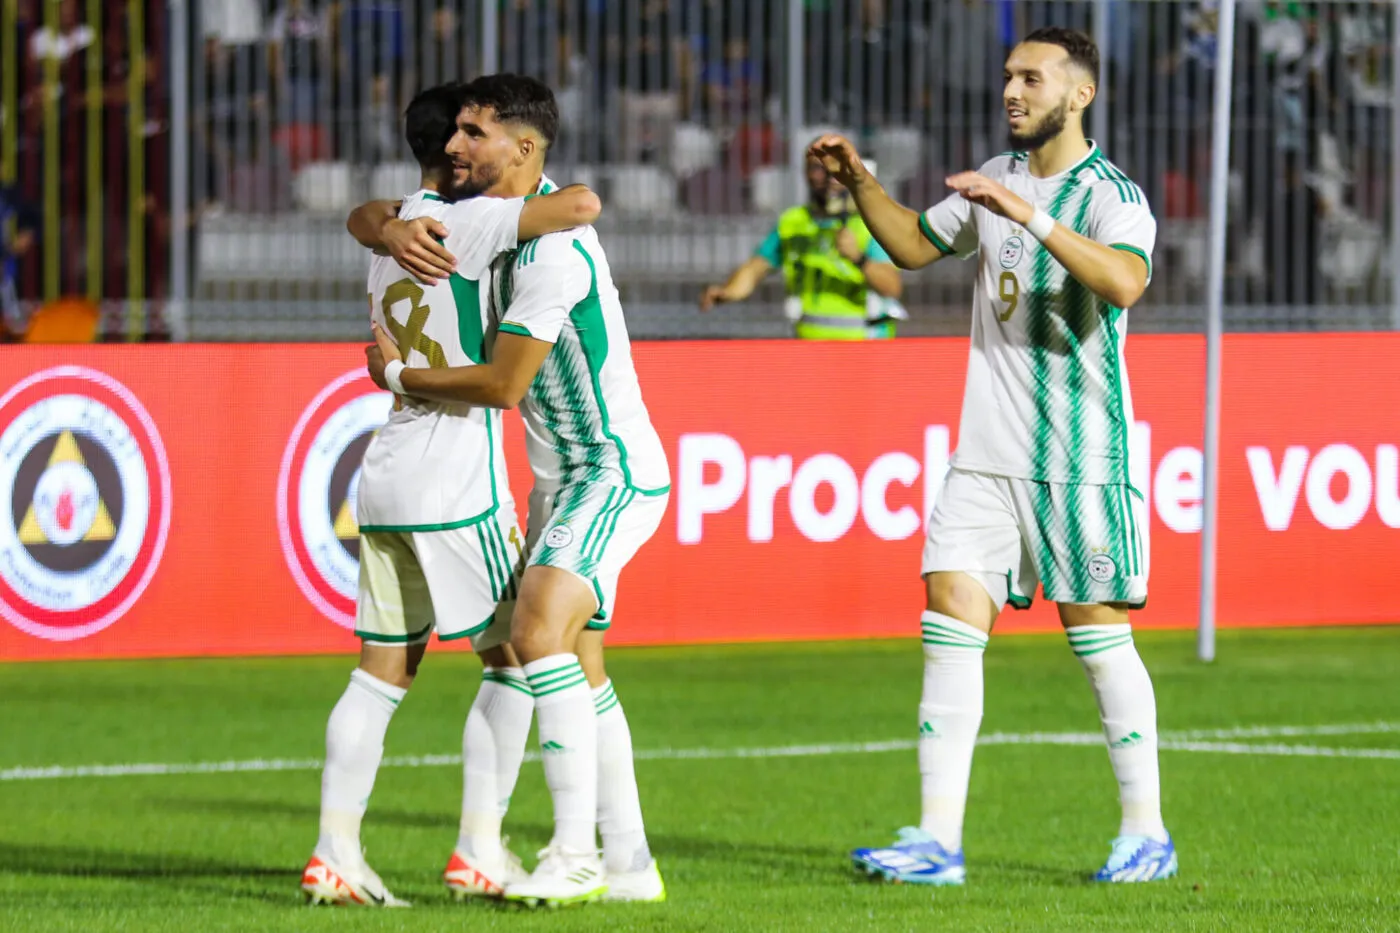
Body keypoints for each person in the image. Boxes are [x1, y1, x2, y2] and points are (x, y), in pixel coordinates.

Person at [817, 27, 1175, 885]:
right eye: (1007, 76)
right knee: (948, 615)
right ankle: (938, 839)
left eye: (1031, 78)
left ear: (1079, 94)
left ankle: (1147, 834)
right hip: (983, 454)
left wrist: (1033, 216)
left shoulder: (1111, 196)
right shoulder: (993, 179)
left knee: (1097, 633)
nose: (1011, 91)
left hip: (1080, 458)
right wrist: (861, 180)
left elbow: (1125, 283)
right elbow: (909, 245)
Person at [354, 73, 669, 908]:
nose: (454, 147)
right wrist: (383, 226)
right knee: (580, 665)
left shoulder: (553, 252)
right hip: (559, 478)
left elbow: (502, 384)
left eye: (472, 133)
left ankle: (573, 854)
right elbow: (370, 212)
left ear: (523, 149)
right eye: (453, 132)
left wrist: (395, 371)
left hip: (611, 470)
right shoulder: (492, 227)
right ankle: (630, 859)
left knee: (532, 633)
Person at [300, 82, 603, 908]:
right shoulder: (464, 221)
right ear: (456, 157)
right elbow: (574, 207)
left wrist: (382, 219)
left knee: (379, 672)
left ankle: (336, 852)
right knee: (516, 656)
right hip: (451, 472)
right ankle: (479, 846)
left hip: (384, 469)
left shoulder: (388, 237)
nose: (476, 147)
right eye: (467, 135)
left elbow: (366, 216)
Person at [699, 149, 904, 339]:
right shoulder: (793, 222)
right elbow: (756, 267)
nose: (826, 175)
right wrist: (729, 291)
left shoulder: (869, 222)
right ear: (806, 173)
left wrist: (859, 259)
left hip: (866, 345)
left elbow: (892, 287)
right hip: (808, 347)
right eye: (817, 167)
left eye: (834, 166)